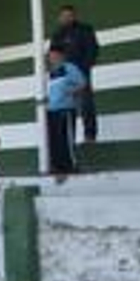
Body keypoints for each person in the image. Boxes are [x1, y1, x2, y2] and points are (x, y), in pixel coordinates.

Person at [50, 4, 100, 142]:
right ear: (59, 18)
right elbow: (53, 56)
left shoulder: (85, 30)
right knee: (64, 107)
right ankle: (66, 138)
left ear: (74, 16)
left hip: (81, 73)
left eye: (69, 15)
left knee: (86, 104)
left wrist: (84, 69)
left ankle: (90, 136)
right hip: (63, 77)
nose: (66, 18)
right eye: (63, 16)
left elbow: (93, 50)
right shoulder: (57, 34)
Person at [46, 43, 87, 179]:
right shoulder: (51, 72)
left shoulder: (69, 68)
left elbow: (82, 83)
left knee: (67, 138)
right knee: (55, 140)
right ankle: (58, 166)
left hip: (66, 108)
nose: (51, 58)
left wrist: (69, 91)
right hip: (52, 110)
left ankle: (71, 165)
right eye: (49, 56)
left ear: (61, 55)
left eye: (53, 55)